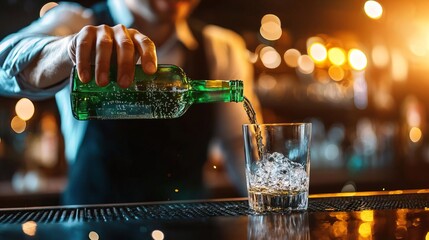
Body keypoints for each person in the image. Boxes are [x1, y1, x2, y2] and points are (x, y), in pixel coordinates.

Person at [0, 0, 261, 205]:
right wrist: (69, 48)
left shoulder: (221, 47)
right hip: (93, 226)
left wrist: (271, 195)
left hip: (188, 226)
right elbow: (5, 67)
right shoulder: (77, 21)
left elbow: (238, 144)